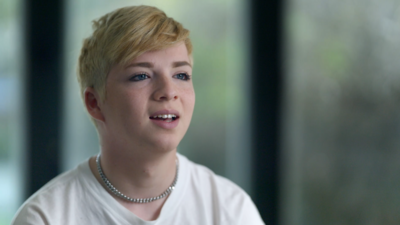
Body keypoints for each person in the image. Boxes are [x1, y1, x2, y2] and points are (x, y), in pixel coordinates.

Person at [12, 5, 264, 225]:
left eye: (181, 75)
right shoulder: (45, 218)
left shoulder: (230, 209)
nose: (168, 91)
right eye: (141, 76)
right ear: (95, 103)